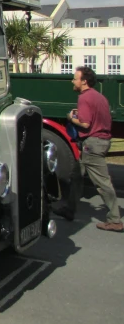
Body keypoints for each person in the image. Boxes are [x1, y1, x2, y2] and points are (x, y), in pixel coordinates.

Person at [53, 66, 122, 232]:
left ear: (84, 81)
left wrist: (70, 117)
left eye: (75, 78)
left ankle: (115, 220)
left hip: (93, 144)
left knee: (102, 183)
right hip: (99, 141)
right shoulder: (99, 97)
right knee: (76, 176)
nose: (72, 81)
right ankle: (70, 209)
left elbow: (85, 124)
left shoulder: (84, 98)